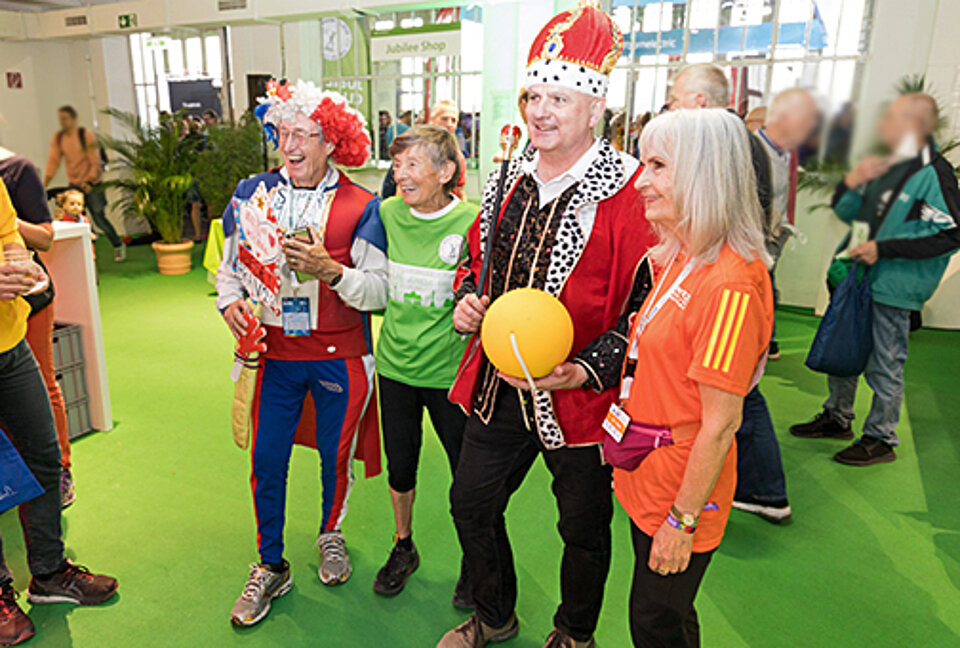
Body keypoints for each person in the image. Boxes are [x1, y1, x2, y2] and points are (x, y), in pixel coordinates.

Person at [437, 6, 654, 647]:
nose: (540, 110)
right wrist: (469, 297)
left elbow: (644, 309)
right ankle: (494, 615)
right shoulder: (507, 176)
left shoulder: (629, 193)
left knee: (583, 529)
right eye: (534, 94)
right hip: (499, 382)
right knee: (470, 501)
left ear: (594, 108)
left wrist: (585, 368)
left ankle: (575, 633)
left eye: (558, 96)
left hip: (582, 396)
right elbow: (478, 259)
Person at [217, 79, 387, 626]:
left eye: (305, 134)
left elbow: (378, 290)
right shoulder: (252, 194)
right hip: (274, 354)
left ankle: (330, 532)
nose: (290, 144)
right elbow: (228, 271)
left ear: (332, 141)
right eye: (283, 131)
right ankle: (270, 565)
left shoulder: (363, 205)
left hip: (342, 354)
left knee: (336, 457)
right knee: (267, 461)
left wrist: (331, 271)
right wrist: (231, 306)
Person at [612, 108, 773, 647]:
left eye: (658, 165)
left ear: (705, 175)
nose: (642, 180)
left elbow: (721, 425)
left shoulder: (729, 283)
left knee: (654, 624)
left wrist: (681, 523)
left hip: (680, 491)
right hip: (650, 471)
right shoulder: (681, 256)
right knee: (670, 618)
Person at [790, 93, 960, 466]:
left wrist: (884, 249)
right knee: (843, 348)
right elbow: (851, 212)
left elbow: (949, 233)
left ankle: (880, 437)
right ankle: (837, 416)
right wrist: (852, 183)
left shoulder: (933, 173)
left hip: (895, 285)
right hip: (858, 278)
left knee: (885, 361)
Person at [0, 180, 118, 647]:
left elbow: (9, 234)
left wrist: (21, 266)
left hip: (9, 342)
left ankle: (48, 573)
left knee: (44, 456)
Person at [371, 125, 478, 605]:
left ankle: (476, 561)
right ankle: (403, 545)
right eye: (396, 166)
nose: (400, 176)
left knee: (467, 474)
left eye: (412, 165)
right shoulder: (389, 213)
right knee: (400, 465)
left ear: (446, 172)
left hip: (450, 376)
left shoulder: (472, 221)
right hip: (394, 367)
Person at [0, 148, 77, 508]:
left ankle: (61, 471)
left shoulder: (16, 169)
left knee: (44, 383)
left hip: (29, 300)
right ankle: (15, 483)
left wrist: (9, 223)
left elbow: (45, 237)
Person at [43, 105, 125, 262]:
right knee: (74, 218)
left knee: (99, 217)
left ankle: (118, 244)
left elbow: (95, 161)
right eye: (60, 119)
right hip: (74, 184)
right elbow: (54, 161)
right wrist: (44, 183)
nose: (63, 122)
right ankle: (86, 252)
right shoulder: (59, 138)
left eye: (66, 118)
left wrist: (89, 181)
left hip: (92, 184)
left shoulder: (86, 136)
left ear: (74, 119)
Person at [382, 101, 466, 200]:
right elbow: (400, 190)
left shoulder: (457, 157)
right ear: (432, 120)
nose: (449, 124)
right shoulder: (412, 150)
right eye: (444, 119)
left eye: (454, 120)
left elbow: (460, 191)